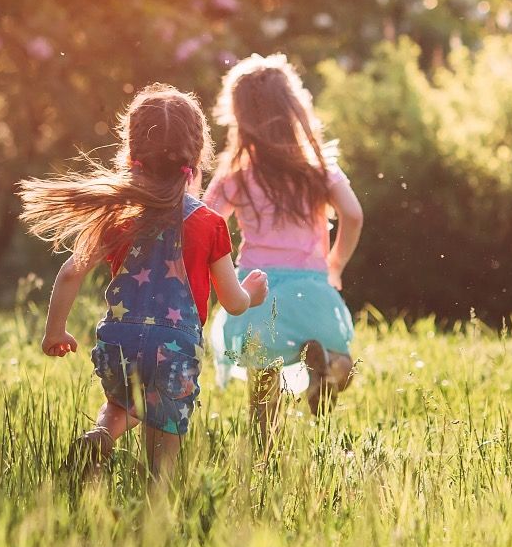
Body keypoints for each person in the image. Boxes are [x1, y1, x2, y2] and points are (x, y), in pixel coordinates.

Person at [21, 84, 268, 482]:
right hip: (174, 346)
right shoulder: (209, 223)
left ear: (131, 152)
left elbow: (70, 272)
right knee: (163, 447)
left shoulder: (118, 215)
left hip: (120, 340)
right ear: (197, 153)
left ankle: (100, 437)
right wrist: (253, 295)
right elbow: (233, 302)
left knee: (121, 406)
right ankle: (153, 513)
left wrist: (55, 331)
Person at [203, 54, 363, 433]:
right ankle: (327, 372)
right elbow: (353, 214)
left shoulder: (237, 173)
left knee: (263, 382)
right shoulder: (318, 167)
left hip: (256, 290)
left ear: (239, 117)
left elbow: (206, 223)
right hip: (311, 287)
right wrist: (336, 263)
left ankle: (265, 458)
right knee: (344, 362)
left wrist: (213, 276)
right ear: (294, 106)